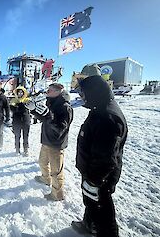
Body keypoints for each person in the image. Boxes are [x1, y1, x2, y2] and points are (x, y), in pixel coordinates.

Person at [71, 74, 128, 237]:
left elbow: (105, 157)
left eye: (83, 93)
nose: (81, 97)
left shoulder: (107, 117)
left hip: (100, 176)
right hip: (93, 170)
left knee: (102, 210)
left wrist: (94, 181)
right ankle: (89, 224)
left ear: (94, 92)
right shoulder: (100, 107)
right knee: (90, 202)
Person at [26, 83, 73, 201]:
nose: (47, 92)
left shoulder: (65, 107)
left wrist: (48, 115)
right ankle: (45, 178)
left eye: (50, 90)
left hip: (56, 144)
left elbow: (60, 129)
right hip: (46, 140)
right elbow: (45, 119)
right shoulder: (51, 102)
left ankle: (57, 194)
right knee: (42, 163)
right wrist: (34, 111)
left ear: (58, 91)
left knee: (56, 171)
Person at [9, 86, 31, 156]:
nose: (20, 93)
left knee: (26, 136)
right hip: (16, 121)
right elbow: (12, 109)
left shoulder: (27, 100)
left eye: (22, 92)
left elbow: (31, 107)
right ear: (16, 93)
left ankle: (26, 149)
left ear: (24, 93)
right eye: (19, 92)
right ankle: (17, 149)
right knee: (17, 136)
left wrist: (22, 106)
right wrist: (18, 107)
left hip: (26, 120)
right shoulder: (13, 100)